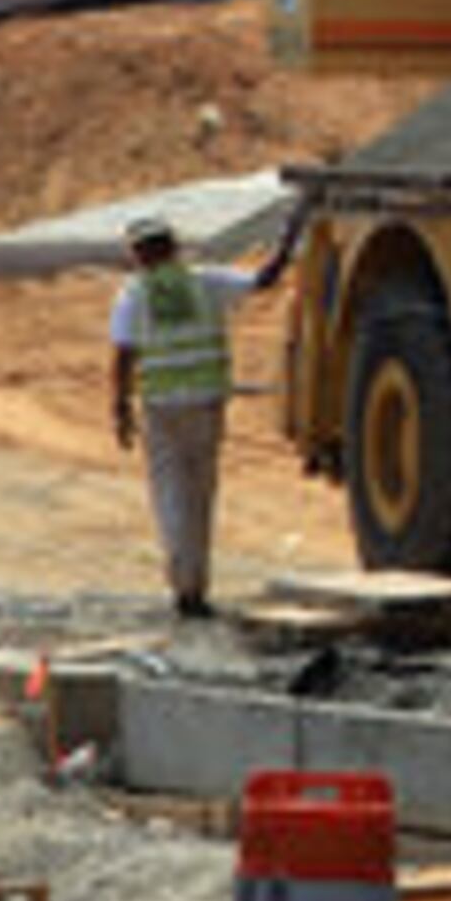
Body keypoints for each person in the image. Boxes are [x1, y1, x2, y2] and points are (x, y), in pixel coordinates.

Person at [108, 209, 296, 619]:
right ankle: (197, 585)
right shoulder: (205, 282)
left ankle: (184, 583)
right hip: (206, 402)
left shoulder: (133, 294)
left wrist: (120, 407)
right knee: (200, 492)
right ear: (173, 247)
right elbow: (264, 280)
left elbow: (123, 353)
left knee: (170, 492)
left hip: (162, 408)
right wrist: (287, 240)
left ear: (138, 255)